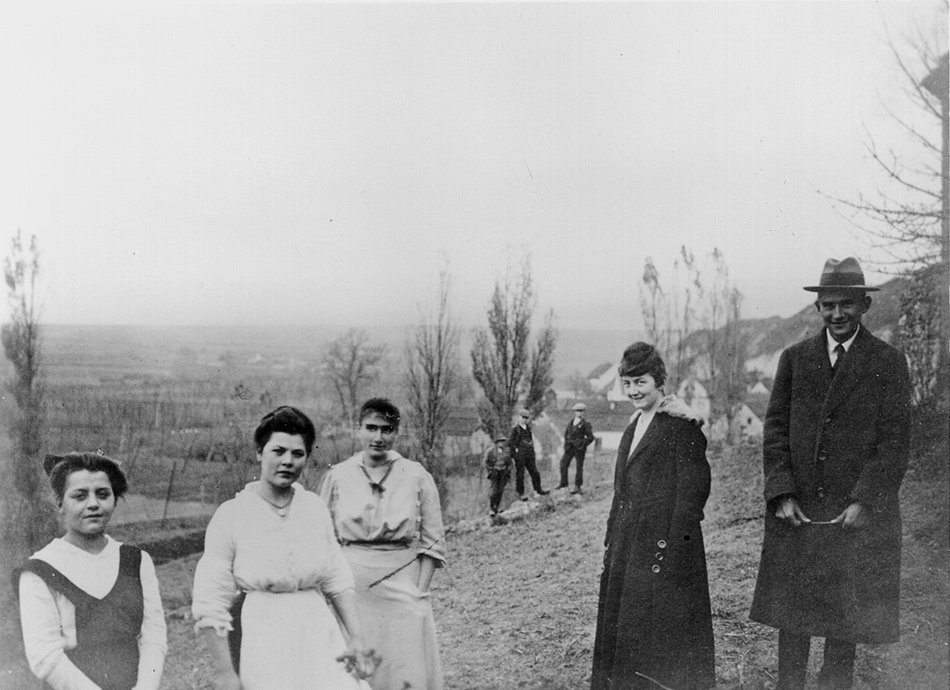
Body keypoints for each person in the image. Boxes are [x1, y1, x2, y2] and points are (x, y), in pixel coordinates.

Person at [749, 257, 912, 690]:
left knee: (845, 619)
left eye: (846, 304)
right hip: (798, 512)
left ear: (864, 306)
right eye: (828, 305)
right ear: (817, 308)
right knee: (793, 615)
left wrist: (865, 500)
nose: (837, 314)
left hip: (850, 514)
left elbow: (895, 443)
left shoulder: (888, 363)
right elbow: (775, 431)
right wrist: (781, 492)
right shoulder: (794, 359)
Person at [191, 405, 373, 690]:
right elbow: (210, 599)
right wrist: (225, 672)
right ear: (259, 453)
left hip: (318, 630)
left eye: (298, 454)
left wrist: (357, 639)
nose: (288, 461)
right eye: (278, 451)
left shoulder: (313, 508)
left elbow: (337, 579)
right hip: (264, 633)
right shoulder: (233, 514)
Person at [591, 342, 715, 690]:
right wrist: (611, 538)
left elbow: (693, 495)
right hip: (628, 543)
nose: (633, 391)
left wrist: (670, 549)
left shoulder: (681, 427)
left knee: (659, 635)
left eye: (640, 382)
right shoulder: (635, 423)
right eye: (627, 384)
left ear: (659, 381)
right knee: (627, 628)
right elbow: (622, 489)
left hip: (663, 546)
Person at [320, 398, 446, 690]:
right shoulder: (338, 475)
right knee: (355, 668)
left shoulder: (416, 475)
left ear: (396, 433)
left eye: (386, 430)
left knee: (403, 667)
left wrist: (419, 592)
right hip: (351, 587)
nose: (378, 437)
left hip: (402, 583)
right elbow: (323, 538)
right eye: (371, 428)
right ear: (358, 429)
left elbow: (434, 539)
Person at [16, 452, 167, 690]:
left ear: (114, 500)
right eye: (80, 496)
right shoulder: (40, 569)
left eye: (103, 494)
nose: (93, 504)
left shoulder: (135, 561)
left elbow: (154, 637)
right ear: (60, 503)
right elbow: (45, 657)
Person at [508, 407, 550, 500]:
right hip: (520, 456)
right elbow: (510, 442)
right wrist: (515, 452)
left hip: (529, 455)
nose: (524, 420)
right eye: (522, 417)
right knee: (520, 475)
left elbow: (531, 441)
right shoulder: (516, 429)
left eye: (526, 418)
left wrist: (533, 452)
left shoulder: (528, 428)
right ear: (519, 418)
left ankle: (538, 489)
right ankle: (521, 494)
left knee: (535, 472)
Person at [556, 402, 596, 494]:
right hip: (569, 448)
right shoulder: (571, 422)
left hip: (579, 449)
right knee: (563, 464)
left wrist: (581, 444)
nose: (579, 413)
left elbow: (591, 438)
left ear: (584, 412)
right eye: (577, 411)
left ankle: (577, 486)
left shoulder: (586, 424)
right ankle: (563, 484)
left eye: (581, 411)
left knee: (579, 467)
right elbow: (566, 434)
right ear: (574, 412)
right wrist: (566, 445)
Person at [483, 435, 513, 516]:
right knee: (494, 491)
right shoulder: (491, 451)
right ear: (496, 443)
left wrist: (508, 470)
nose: (502, 443)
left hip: (503, 473)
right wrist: (490, 470)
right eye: (500, 441)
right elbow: (486, 462)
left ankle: (497, 508)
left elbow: (510, 463)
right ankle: (492, 508)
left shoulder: (506, 452)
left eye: (503, 442)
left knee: (500, 490)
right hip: (495, 472)